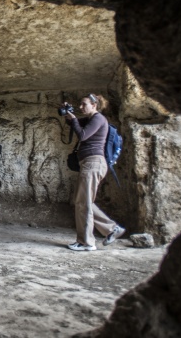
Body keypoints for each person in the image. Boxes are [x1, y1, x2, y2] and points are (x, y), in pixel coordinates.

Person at [63, 94, 125, 251]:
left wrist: (74, 119)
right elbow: (72, 124)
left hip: (93, 163)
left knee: (83, 202)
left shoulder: (98, 119)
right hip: (89, 163)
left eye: (84, 104)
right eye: (80, 104)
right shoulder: (91, 120)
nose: (81, 107)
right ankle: (112, 229)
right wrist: (68, 113)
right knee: (83, 201)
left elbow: (83, 135)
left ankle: (87, 242)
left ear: (94, 105)